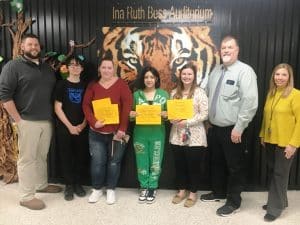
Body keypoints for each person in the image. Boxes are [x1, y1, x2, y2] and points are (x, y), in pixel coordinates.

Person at [0, 34, 62, 210]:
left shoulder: (47, 68)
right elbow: (5, 96)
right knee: (27, 159)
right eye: (30, 44)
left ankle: (41, 185)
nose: (33, 47)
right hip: (27, 121)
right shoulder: (12, 66)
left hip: (46, 121)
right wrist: (18, 120)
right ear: (22, 47)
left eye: (36, 44)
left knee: (41, 156)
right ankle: (26, 197)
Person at [200, 35, 258, 216]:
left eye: (229, 47)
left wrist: (239, 127)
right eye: (223, 47)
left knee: (235, 167)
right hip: (215, 128)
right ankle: (218, 192)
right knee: (217, 163)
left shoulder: (245, 71)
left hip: (233, 130)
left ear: (237, 50)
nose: (226, 50)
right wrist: (208, 121)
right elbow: (207, 95)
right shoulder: (216, 71)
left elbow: (250, 102)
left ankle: (233, 202)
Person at [82, 57, 132, 205]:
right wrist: (93, 121)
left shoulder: (122, 85)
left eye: (109, 68)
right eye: (103, 67)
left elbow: (127, 105)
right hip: (96, 133)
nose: (106, 70)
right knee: (97, 162)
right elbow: (85, 105)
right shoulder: (93, 85)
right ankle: (97, 189)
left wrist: (122, 128)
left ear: (114, 69)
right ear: (99, 69)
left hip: (117, 134)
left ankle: (111, 189)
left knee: (114, 163)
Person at [259, 63, 300, 222]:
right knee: (274, 173)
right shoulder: (272, 93)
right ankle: (280, 202)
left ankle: (274, 209)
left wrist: (294, 144)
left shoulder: (295, 94)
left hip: (286, 143)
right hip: (270, 141)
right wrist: (263, 134)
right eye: (277, 74)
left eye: (283, 75)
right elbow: (266, 116)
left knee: (279, 175)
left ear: (289, 77)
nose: (280, 77)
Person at [169, 63, 208, 208]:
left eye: (189, 74)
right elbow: (171, 113)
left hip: (195, 136)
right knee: (180, 165)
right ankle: (181, 191)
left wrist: (187, 122)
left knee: (194, 166)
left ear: (194, 76)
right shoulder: (174, 93)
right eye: (184, 74)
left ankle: (192, 193)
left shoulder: (200, 92)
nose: (186, 76)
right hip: (177, 136)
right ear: (180, 75)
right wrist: (171, 118)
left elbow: (204, 114)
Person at [129, 66, 169, 204]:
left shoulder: (164, 95)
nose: (149, 80)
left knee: (156, 162)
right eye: (146, 77)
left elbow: (171, 114)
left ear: (156, 79)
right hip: (140, 134)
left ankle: (152, 186)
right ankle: (143, 186)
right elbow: (128, 115)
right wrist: (131, 114)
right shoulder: (136, 95)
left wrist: (166, 114)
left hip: (157, 134)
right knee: (141, 162)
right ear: (143, 79)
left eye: (152, 77)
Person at [54, 56, 88, 201]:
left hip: (82, 128)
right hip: (65, 128)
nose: (75, 67)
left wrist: (83, 124)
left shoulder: (86, 86)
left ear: (82, 69)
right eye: (72, 65)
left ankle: (77, 183)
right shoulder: (61, 85)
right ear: (67, 68)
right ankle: (68, 185)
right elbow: (57, 108)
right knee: (66, 156)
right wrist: (70, 127)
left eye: (78, 65)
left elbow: (89, 108)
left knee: (80, 156)